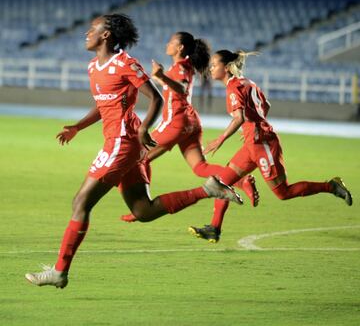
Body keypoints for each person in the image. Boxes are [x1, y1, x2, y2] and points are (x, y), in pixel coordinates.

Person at [25, 15, 242, 289]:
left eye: (93, 29)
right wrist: (78, 127)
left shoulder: (125, 63)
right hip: (119, 142)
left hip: (122, 142)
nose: (87, 33)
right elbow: (103, 106)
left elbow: (156, 98)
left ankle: (59, 272)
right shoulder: (94, 66)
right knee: (143, 210)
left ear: (106, 35)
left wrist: (143, 130)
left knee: (81, 203)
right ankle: (208, 189)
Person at [189, 49, 353, 243]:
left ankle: (331, 186)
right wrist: (253, 125)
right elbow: (265, 105)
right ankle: (214, 228)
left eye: (214, 64)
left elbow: (239, 117)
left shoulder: (233, 88)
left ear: (226, 68)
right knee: (223, 182)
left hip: (263, 144)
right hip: (253, 143)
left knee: (283, 193)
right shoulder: (247, 82)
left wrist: (221, 139)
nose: (211, 68)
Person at [121, 32, 258, 223]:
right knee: (200, 167)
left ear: (180, 48)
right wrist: (156, 77)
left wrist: (161, 76)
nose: (167, 44)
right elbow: (171, 85)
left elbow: (181, 88)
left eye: (171, 42)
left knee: (137, 159)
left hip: (175, 123)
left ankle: (143, 207)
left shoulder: (180, 68)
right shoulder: (184, 67)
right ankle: (242, 181)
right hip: (190, 123)